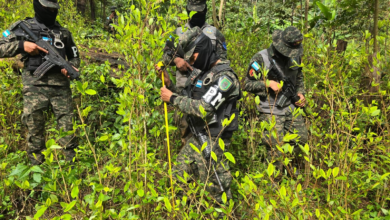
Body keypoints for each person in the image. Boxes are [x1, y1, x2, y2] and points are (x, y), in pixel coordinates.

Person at [156, 27, 240, 207]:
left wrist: (172, 98)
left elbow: (204, 108)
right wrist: (169, 84)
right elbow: (187, 98)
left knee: (216, 194)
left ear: (203, 51)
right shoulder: (202, 73)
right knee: (177, 179)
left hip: (214, 142)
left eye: (193, 57)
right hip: (197, 138)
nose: (192, 62)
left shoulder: (226, 78)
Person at [0, 0, 80, 165]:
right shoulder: (21, 27)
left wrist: (72, 67)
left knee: (68, 131)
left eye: (53, 9)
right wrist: (22, 45)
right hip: (34, 86)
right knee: (35, 132)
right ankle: (37, 175)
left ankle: (72, 171)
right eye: (47, 8)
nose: (51, 12)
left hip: (61, 88)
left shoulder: (63, 32)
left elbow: (74, 56)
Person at [243, 26, 308, 181]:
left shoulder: (296, 57)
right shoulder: (261, 58)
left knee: (301, 138)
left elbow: (299, 78)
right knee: (274, 146)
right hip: (271, 107)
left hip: (290, 106)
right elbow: (246, 84)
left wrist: (301, 93)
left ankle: (288, 167)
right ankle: (274, 180)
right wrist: (267, 84)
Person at [162, 0, 228, 144]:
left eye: (200, 11)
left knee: (209, 131)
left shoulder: (214, 33)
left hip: (208, 90)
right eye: (194, 11)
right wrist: (177, 60)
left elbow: (222, 61)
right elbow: (165, 56)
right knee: (186, 130)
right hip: (184, 88)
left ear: (205, 11)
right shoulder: (177, 33)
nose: (197, 15)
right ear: (188, 11)